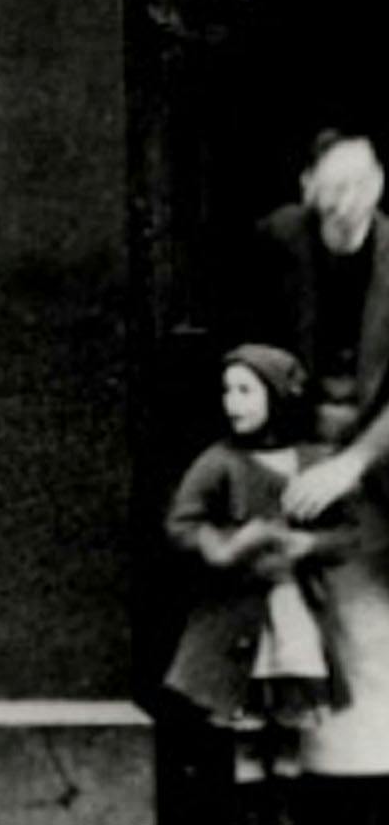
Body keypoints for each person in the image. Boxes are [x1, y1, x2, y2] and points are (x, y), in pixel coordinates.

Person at [240, 129, 389, 814]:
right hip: (290, 456)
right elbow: (246, 348)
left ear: (380, 185)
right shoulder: (277, 241)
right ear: (308, 187)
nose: (344, 201)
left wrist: (355, 461)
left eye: (357, 184)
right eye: (331, 186)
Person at [167, 344, 355, 807]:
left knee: (289, 721)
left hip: (294, 614)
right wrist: (229, 545)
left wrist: (309, 544)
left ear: (277, 396)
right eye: (228, 391)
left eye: (246, 391)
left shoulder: (314, 462)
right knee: (246, 724)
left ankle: (283, 808)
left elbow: (348, 534)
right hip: (237, 618)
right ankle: (248, 809)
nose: (233, 402)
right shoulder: (220, 461)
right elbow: (182, 525)